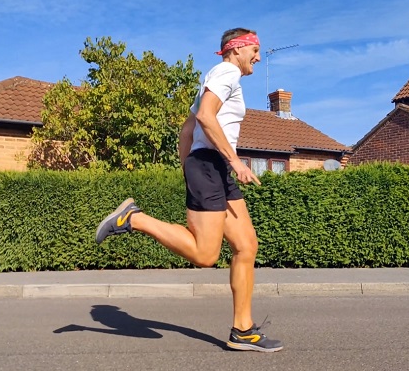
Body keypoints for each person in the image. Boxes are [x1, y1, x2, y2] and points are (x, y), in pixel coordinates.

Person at [95, 28, 283, 353]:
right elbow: (207, 117)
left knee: (246, 245)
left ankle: (242, 330)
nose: (258, 56)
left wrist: (189, 169)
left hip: (211, 166)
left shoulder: (217, 79)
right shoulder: (226, 72)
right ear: (236, 49)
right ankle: (134, 219)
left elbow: (187, 130)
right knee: (205, 255)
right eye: (255, 49)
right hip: (212, 163)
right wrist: (232, 162)